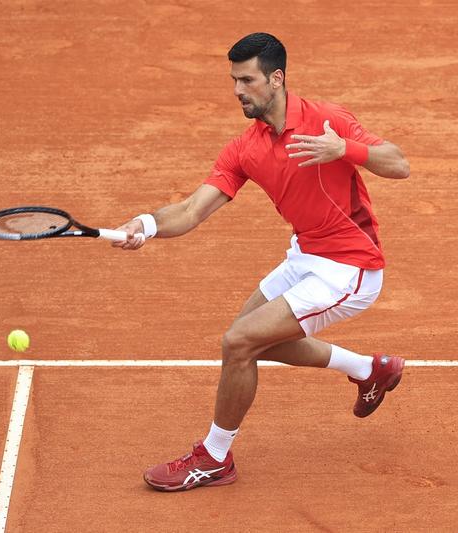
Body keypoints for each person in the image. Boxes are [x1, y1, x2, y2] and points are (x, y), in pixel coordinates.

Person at [113, 32, 410, 492]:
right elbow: (192, 210)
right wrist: (145, 225)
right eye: (233, 80)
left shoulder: (327, 120)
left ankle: (213, 457)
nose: (237, 90)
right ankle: (369, 370)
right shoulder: (245, 149)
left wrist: (344, 150)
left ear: (276, 79)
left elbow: (398, 163)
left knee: (238, 342)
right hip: (305, 254)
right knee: (250, 342)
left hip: (349, 266)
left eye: (246, 80)